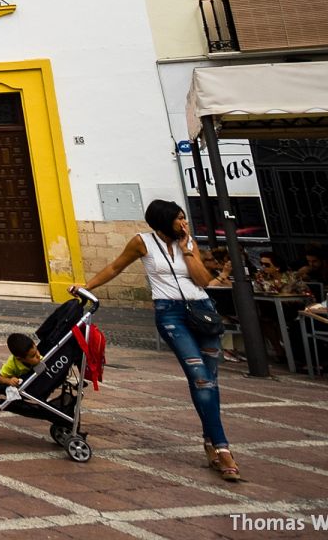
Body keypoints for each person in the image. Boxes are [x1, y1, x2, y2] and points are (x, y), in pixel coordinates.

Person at [73, 198, 241, 482]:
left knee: (208, 381)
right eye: (178, 218)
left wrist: (188, 252)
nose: (183, 223)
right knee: (200, 378)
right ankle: (224, 449)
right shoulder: (142, 242)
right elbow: (116, 267)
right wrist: (86, 287)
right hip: (171, 314)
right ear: (163, 220)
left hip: (203, 311)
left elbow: (203, 282)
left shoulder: (188, 243)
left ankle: (210, 442)